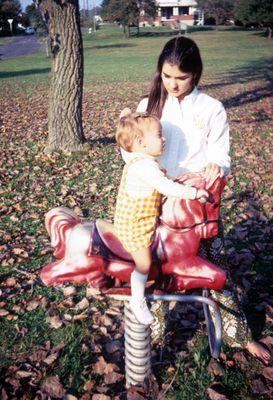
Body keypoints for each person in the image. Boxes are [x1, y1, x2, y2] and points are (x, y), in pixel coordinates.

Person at [120, 37, 270, 363]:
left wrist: (216, 166)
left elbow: (221, 154)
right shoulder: (148, 106)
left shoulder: (211, 108)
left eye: (181, 77)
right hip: (155, 204)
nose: (173, 84)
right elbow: (128, 148)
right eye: (167, 76)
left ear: (196, 74)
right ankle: (147, 337)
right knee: (153, 269)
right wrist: (143, 165)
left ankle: (238, 335)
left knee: (215, 267)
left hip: (196, 203)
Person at [114, 111, 208, 325]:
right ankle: (137, 300)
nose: (163, 139)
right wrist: (194, 193)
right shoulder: (144, 167)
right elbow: (165, 185)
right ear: (140, 142)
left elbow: (165, 181)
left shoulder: (145, 161)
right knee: (144, 263)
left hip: (144, 221)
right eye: (158, 135)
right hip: (135, 226)